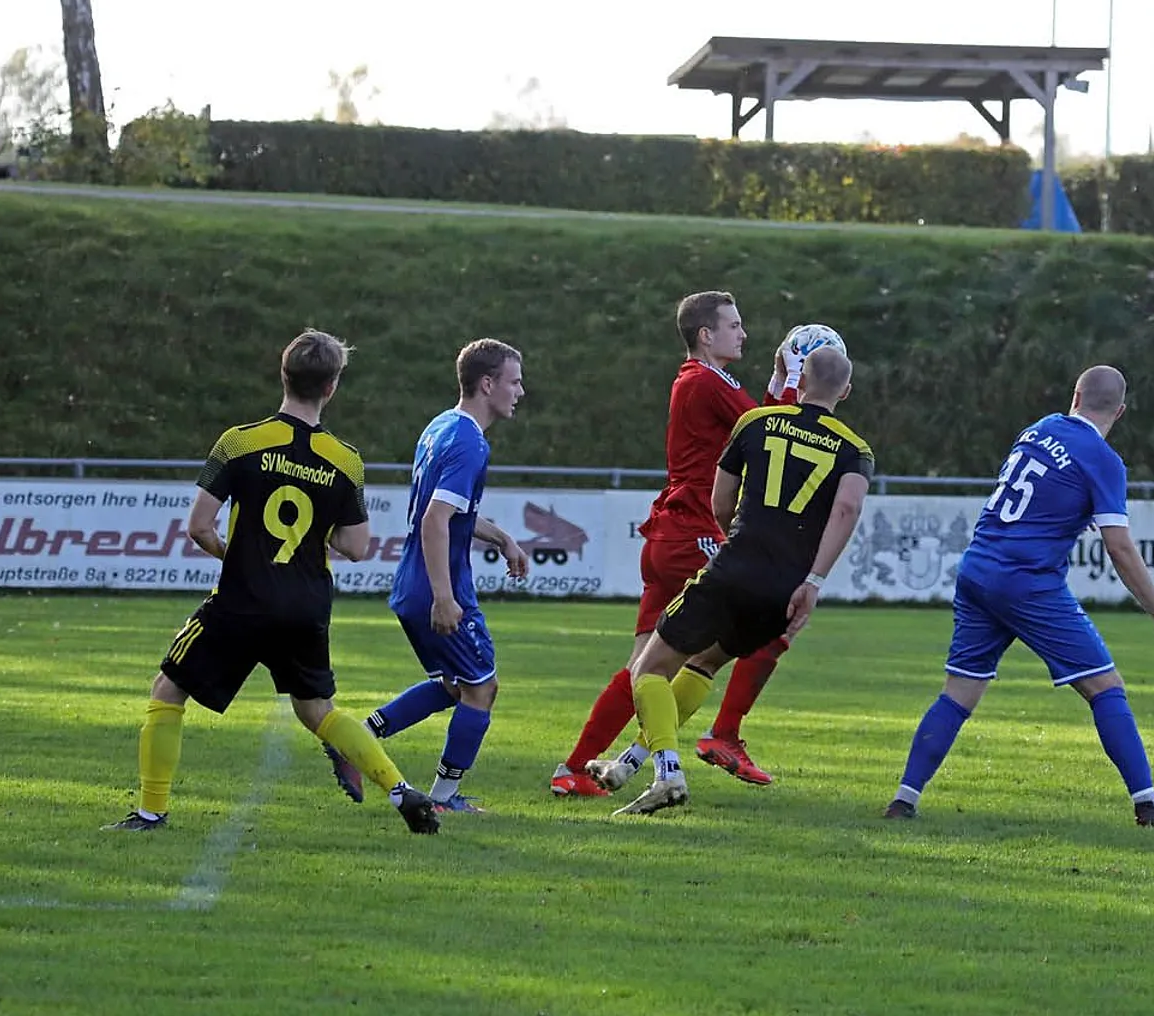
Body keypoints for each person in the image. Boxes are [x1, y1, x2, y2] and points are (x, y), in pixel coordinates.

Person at [105, 329, 439, 836]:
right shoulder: (345, 459)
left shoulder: (240, 441)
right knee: (318, 710)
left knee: (168, 690)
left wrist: (238, 556)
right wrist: (312, 540)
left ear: (283, 376)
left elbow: (199, 526)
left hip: (242, 600)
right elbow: (356, 546)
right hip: (306, 606)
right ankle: (401, 791)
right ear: (330, 387)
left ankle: (151, 812)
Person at [882, 366, 1154, 827]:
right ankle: (1147, 804)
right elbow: (1119, 547)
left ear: (1074, 397)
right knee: (1106, 688)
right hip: (1027, 581)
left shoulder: (1039, 429)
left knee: (959, 691)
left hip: (978, 569)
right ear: (1120, 411)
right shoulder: (1103, 459)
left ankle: (903, 800)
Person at [551, 291, 804, 798]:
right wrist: (794, 380)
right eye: (734, 325)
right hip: (695, 534)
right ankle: (720, 736)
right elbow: (771, 434)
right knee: (770, 622)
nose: (744, 333)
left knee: (643, 666)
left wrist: (779, 384)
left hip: (672, 533)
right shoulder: (706, 381)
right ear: (706, 335)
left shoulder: (706, 381)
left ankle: (575, 769)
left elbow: (759, 423)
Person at [614, 346, 873, 815]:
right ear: (847, 392)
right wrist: (813, 580)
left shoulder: (756, 422)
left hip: (734, 570)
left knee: (647, 670)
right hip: (783, 591)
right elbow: (848, 508)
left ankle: (667, 773)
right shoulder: (855, 450)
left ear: (800, 382)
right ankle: (629, 761)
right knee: (703, 665)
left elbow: (720, 502)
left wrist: (741, 537)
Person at [353, 339, 532, 814]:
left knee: (456, 686)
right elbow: (434, 521)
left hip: (413, 582)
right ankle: (443, 798)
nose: (520, 391)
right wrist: (444, 596)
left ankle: (358, 738)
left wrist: (503, 539)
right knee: (482, 688)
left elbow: (453, 515)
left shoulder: (441, 426)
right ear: (487, 384)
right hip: (438, 586)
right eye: (514, 381)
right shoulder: (470, 443)